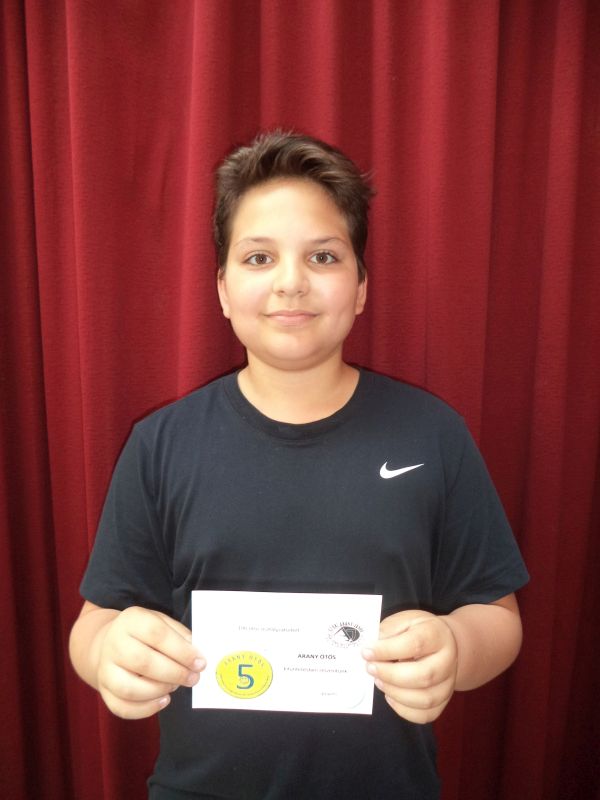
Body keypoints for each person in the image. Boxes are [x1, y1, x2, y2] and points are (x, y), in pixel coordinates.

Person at [69, 131, 529, 799]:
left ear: (361, 287)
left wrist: (456, 648)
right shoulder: (161, 444)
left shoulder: (432, 434)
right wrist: (109, 653)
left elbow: (498, 615)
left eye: (323, 255)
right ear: (222, 289)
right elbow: (95, 623)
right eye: (259, 257)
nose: (291, 281)